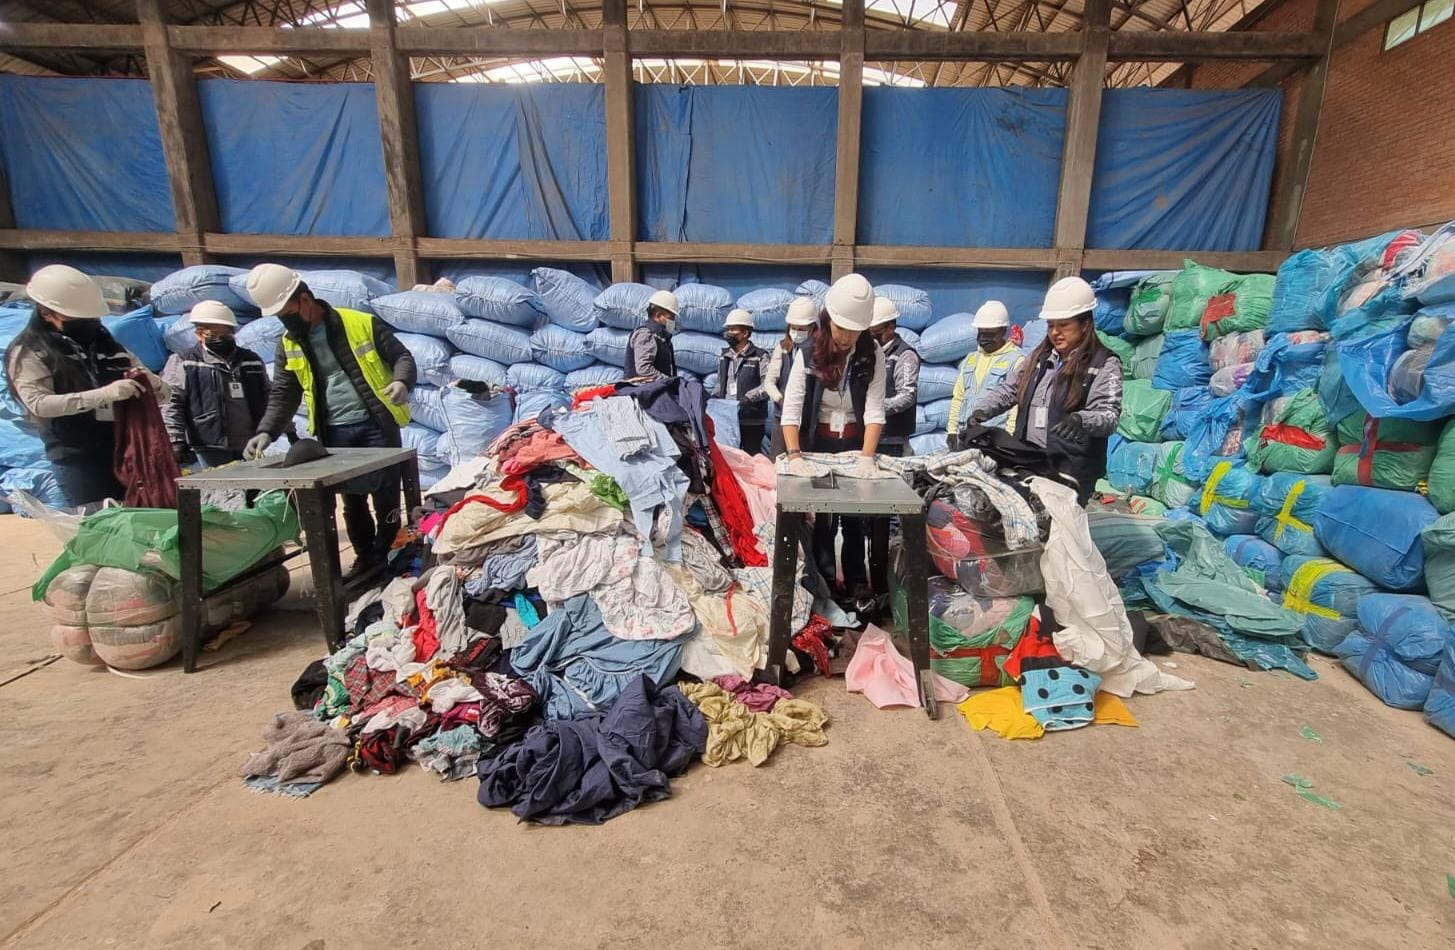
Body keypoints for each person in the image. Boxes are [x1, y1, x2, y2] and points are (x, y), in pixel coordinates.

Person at [242, 263, 416, 575]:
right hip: (334, 429)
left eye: (287, 312)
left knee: (386, 492)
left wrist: (402, 381)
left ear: (305, 300)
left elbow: (402, 357)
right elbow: (284, 392)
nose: (285, 320)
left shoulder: (360, 323)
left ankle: (391, 554)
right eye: (279, 315)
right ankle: (365, 558)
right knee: (351, 498)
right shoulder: (288, 343)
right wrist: (267, 430)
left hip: (376, 422)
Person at [4, 264, 167, 509]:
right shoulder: (30, 353)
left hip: (125, 451)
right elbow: (39, 404)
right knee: (97, 525)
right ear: (46, 313)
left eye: (90, 316)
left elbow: (162, 393)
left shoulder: (108, 346)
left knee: (136, 521)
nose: (86, 323)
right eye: (75, 317)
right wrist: (102, 395)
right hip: (78, 457)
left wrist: (155, 387)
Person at [967, 276, 1122, 504]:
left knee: (1062, 533)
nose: (1055, 333)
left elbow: (1109, 415)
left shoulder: (1103, 364)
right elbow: (1010, 389)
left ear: (1086, 324)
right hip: (1029, 460)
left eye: (1064, 325)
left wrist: (1081, 419)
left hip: (1069, 469)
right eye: (1051, 326)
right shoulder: (1039, 358)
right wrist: (981, 411)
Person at [780, 274, 885, 597]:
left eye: (855, 330)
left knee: (856, 517)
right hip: (819, 443)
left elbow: (875, 409)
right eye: (842, 328)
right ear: (828, 321)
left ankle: (857, 580)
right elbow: (792, 409)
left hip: (854, 444)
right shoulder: (809, 351)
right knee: (823, 518)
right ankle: (825, 584)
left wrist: (867, 459)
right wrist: (796, 456)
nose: (847, 336)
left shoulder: (871, 353)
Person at [161, 301, 271, 470]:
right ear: (199, 333)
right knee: (222, 493)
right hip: (209, 445)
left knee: (254, 491)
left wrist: (286, 429)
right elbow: (172, 402)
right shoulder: (185, 361)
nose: (220, 338)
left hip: (250, 442)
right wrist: (175, 441)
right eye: (213, 333)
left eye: (225, 333)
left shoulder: (250, 361)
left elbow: (269, 397)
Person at [947, 300, 1024, 436]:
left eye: (989, 334)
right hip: (967, 435)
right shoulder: (971, 359)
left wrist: (1010, 437)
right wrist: (952, 431)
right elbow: (958, 397)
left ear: (1003, 331)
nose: (983, 339)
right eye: (981, 333)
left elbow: (1016, 406)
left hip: (995, 438)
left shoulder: (1017, 361)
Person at [763, 295, 818, 458]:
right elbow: (769, 382)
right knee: (777, 461)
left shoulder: (818, 352)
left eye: (802, 329)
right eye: (793, 328)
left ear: (813, 328)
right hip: (782, 416)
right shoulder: (783, 348)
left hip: (809, 419)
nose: (797, 333)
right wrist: (781, 400)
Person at [713, 308, 771, 455]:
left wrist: (748, 399)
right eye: (728, 329)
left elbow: (768, 385)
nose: (728, 333)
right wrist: (714, 398)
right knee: (729, 458)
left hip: (751, 419)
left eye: (733, 330)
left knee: (752, 458)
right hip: (728, 420)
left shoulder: (760, 356)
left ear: (745, 333)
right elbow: (720, 382)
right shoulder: (724, 355)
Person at [868, 295, 919, 459]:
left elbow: (907, 396)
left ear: (890, 328)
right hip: (867, 434)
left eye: (876, 333)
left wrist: (874, 408)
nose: (872, 337)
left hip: (891, 442)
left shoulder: (905, 355)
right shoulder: (870, 352)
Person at [624, 289, 680, 382]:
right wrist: (668, 381)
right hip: (642, 391)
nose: (673, 322)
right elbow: (643, 369)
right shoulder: (646, 334)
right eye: (671, 318)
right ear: (658, 315)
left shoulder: (663, 337)